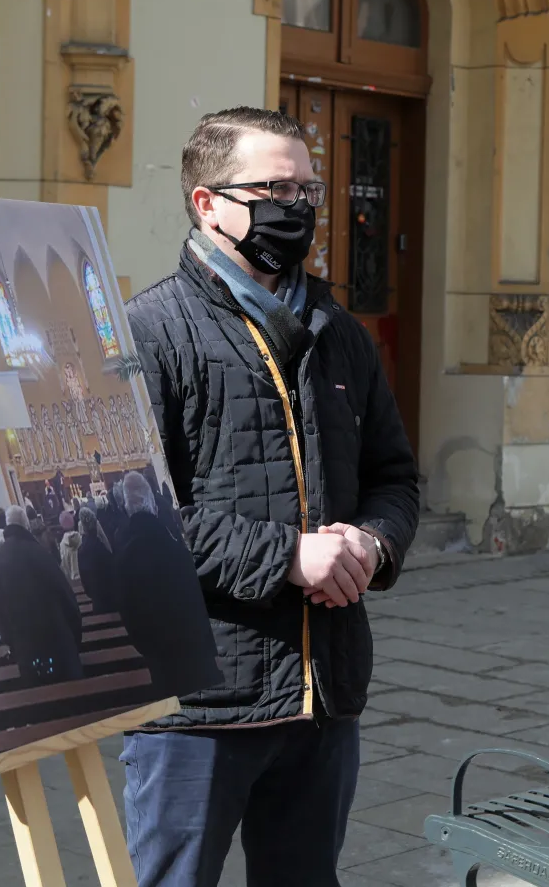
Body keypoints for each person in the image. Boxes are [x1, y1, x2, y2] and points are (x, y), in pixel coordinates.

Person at [123, 106, 419, 887]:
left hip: (323, 695)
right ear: (207, 203)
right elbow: (130, 521)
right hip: (200, 704)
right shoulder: (149, 332)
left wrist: (373, 544)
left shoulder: (340, 332)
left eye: (307, 187)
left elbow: (394, 476)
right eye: (273, 187)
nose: (297, 207)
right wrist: (287, 556)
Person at [113, 472, 221, 696]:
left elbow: (127, 611)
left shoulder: (124, 552)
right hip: (194, 650)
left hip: (160, 659)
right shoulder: (170, 539)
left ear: (126, 505)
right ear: (151, 500)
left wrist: (148, 649)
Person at [0, 505, 82, 684]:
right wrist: (75, 636)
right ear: (26, 525)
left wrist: (13, 644)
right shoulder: (38, 552)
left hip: (26, 651)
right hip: (58, 644)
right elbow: (65, 595)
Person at [76, 506, 117, 613]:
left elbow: (85, 582)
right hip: (111, 602)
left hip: (97, 603)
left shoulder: (81, 551)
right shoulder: (101, 547)